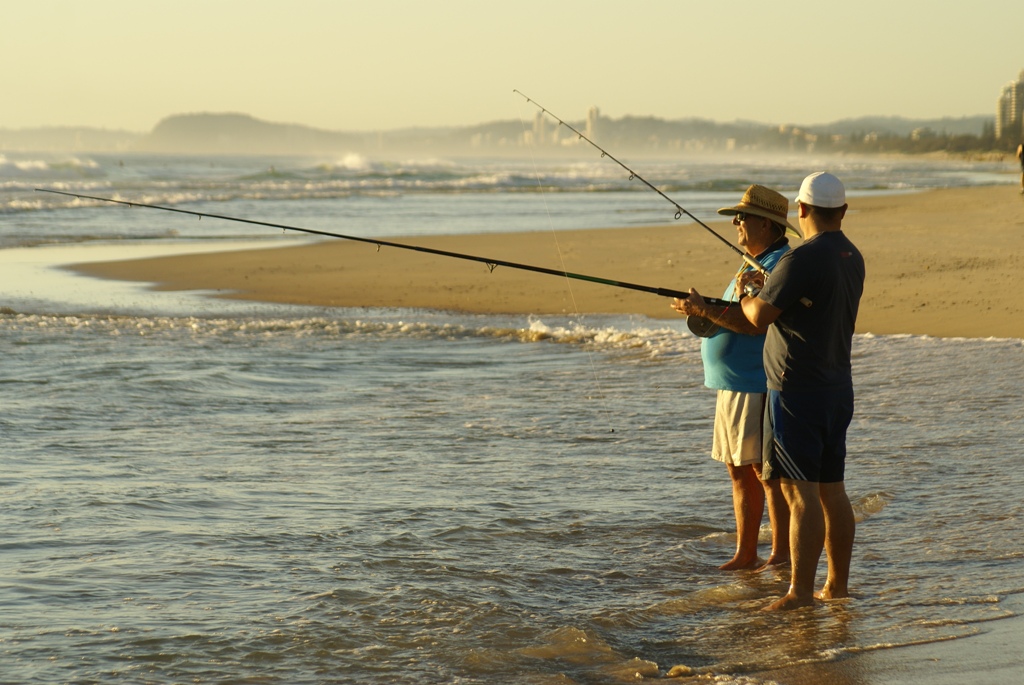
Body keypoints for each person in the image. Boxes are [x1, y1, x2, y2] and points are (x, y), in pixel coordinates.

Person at [739, 172, 865, 610]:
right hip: (837, 387)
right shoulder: (853, 256)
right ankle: (837, 586)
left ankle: (800, 593)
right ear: (843, 211)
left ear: (801, 210)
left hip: (796, 391)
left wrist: (745, 295)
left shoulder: (802, 260)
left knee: (800, 493)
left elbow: (759, 317)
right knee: (833, 489)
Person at [671, 185, 795, 571]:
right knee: (739, 470)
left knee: (765, 472)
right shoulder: (752, 262)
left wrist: (705, 311)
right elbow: (735, 310)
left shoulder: (774, 264)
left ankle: (778, 554)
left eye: (742, 216)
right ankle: (746, 553)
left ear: (766, 223)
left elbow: (753, 324)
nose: (736, 222)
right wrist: (701, 307)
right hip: (733, 383)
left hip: (754, 383)